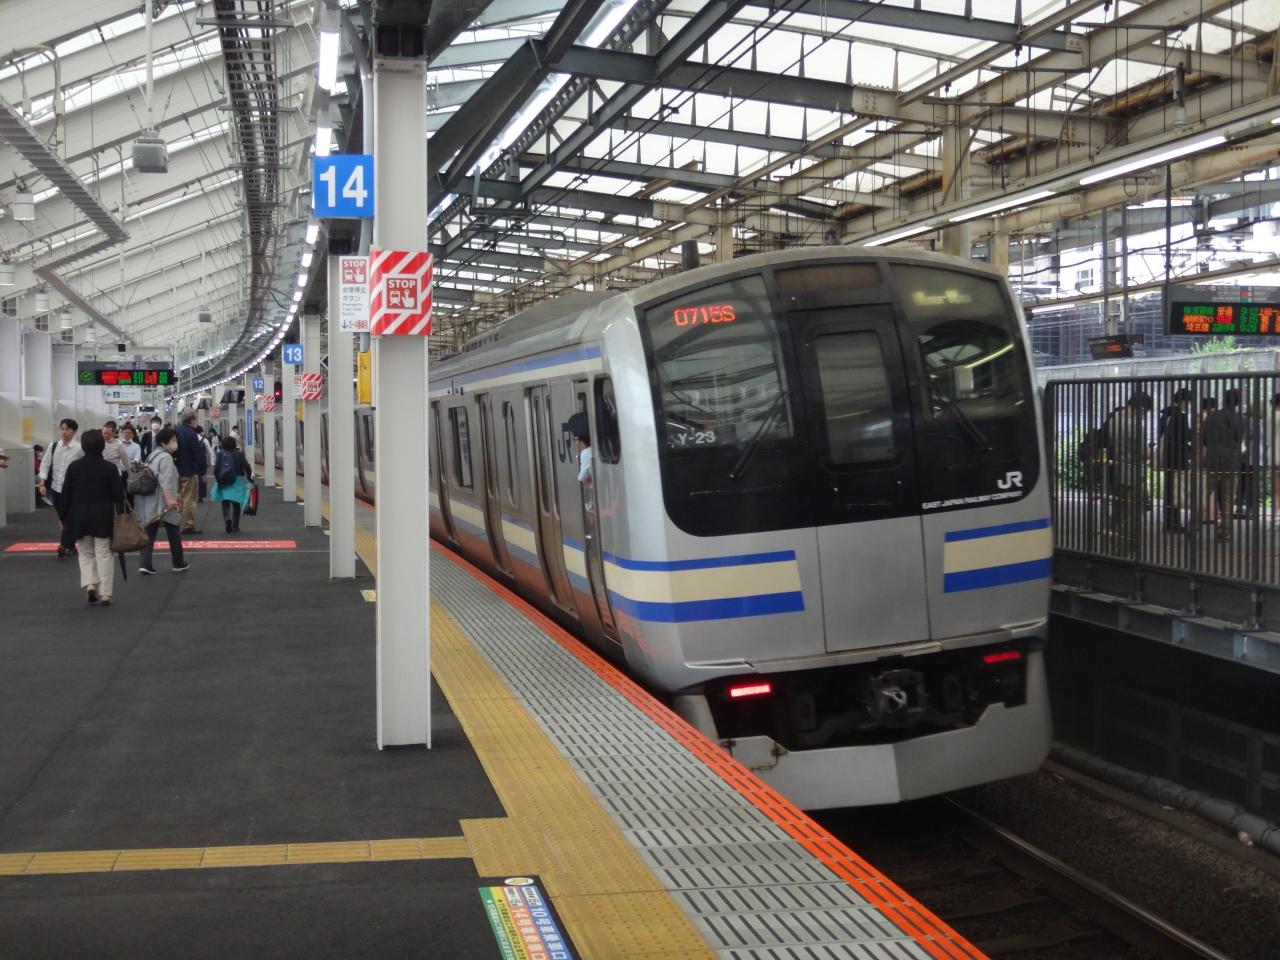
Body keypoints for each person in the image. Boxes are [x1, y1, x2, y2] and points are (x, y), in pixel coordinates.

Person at [57, 429, 126, 606]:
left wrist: (63, 517)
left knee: (85, 553)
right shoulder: (110, 468)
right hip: (103, 516)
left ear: (83, 446)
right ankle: (105, 593)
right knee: (104, 554)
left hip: (79, 516)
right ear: (102, 446)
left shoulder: (74, 467)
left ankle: (90, 585)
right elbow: (118, 495)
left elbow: (66, 494)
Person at [134, 427, 188, 574]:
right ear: (164, 443)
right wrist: (171, 499)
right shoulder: (166, 458)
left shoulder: (153, 455)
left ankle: (145, 563)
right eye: (173, 441)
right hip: (163, 500)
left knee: (149, 530)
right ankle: (178, 562)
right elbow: (166, 480)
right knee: (173, 529)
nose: (175, 443)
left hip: (150, 499)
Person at [1105, 390, 1151, 552]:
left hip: (1117, 472)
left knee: (1118, 509)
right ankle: (1125, 546)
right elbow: (1143, 454)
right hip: (1133, 476)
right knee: (1130, 514)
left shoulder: (1114, 419)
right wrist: (1153, 453)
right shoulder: (1137, 427)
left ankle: (1113, 539)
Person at [1202, 389, 1247, 543]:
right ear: (1238, 401)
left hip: (1212, 460)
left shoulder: (1212, 416)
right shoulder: (1241, 418)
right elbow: (1240, 440)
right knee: (1228, 496)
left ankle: (1193, 523)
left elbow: (1204, 439)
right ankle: (1225, 529)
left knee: (1204, 492)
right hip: (1231, 462)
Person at [37, 419, 83, 557]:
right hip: (56, 488)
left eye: (67, 429)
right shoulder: (54, 446)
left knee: (69, 516)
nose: (64, 432)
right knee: (62, 517)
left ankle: (64, 546)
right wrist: (42, 483)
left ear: (74, 431)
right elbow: (45, 464)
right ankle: (71, 545)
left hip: (73, 490)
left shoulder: (79, 448)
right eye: (62, 429)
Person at [1156, 389, 1194, 533]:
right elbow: (1184, 438)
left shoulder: (1165, 415)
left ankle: (1168, 522)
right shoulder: (1180, 417)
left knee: (1168, 491)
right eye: (1188, 402)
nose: (1188, 405)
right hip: (1178, 458)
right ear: (1184, 401)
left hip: (1167, 458)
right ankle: (1174, 523)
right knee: (1176, 491)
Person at [211, 436, 254, 533]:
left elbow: (216, 469)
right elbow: (247, 467)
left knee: (225, 502)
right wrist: (249, 478)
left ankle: (227, 519)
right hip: (237, 480)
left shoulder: (220, 454)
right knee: (236, 503)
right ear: (234, 444)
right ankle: (235, 525)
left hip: (224, 480)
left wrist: (218, 480)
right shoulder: (239, 454)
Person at [175, 413, 207, 534]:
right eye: (195, 420)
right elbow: (198, 454)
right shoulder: (191, 434)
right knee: (188, 498)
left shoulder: (176, 431)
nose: (196, 422)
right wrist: (203, 472)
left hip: (175, 471)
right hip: (188, 471)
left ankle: (174, 523)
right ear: (191, 420)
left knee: (177, 497)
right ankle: (188, 525)